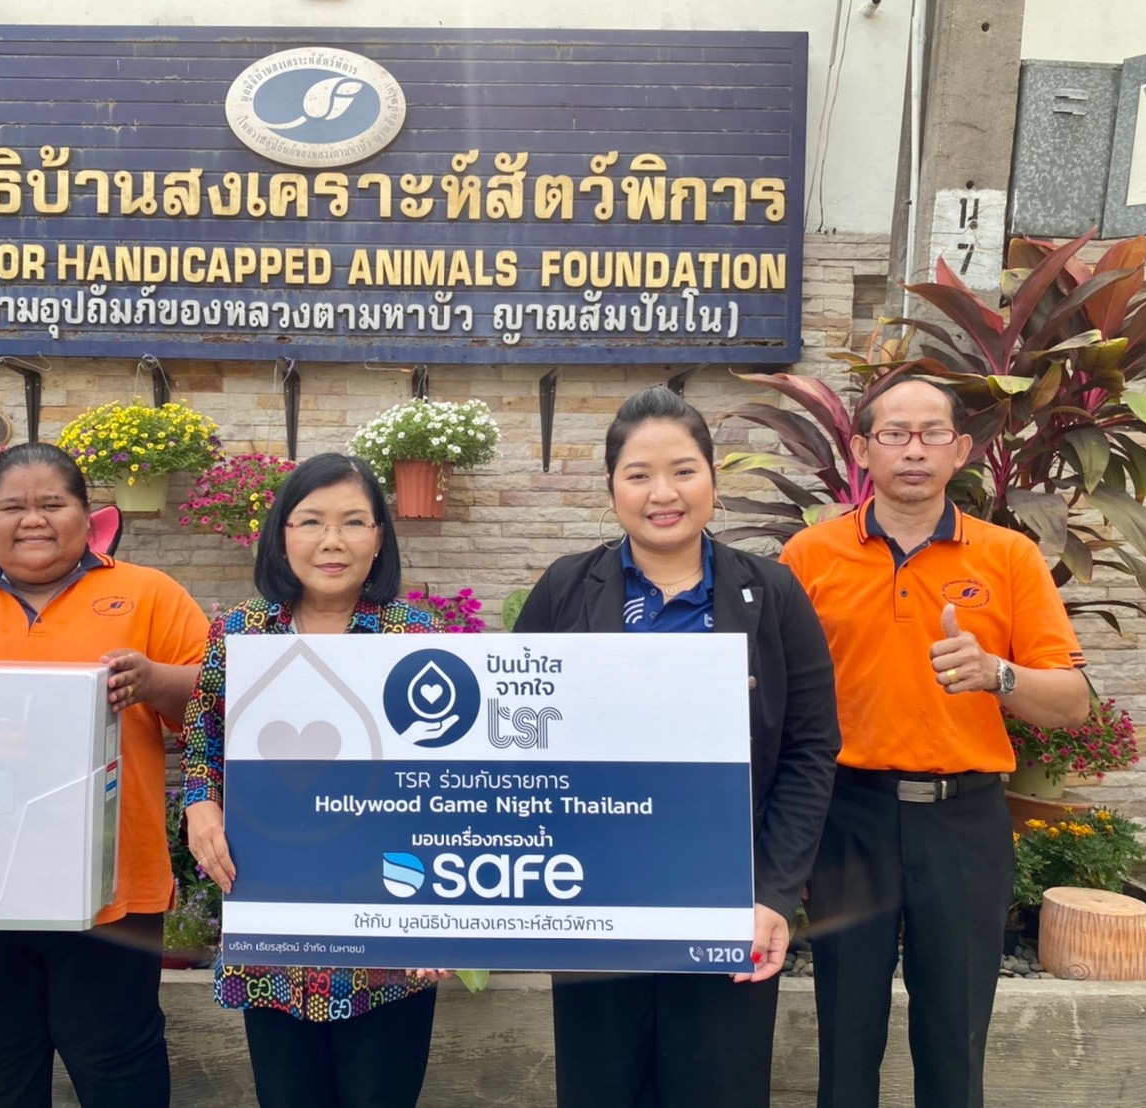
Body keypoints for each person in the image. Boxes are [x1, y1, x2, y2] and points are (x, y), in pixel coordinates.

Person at [514, 385, 841, 1108]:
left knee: (717, 1087)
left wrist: (772, 895)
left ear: (712, 479)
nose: (663, 493)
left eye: (683, 470)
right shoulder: (567, 589)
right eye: (639, 475)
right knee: (602, 1089)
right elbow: (517, 736)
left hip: (727, 903)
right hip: (595, 900)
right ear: (612, 488)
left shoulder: (772, 594)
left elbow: (811, 750)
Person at [779, 377, 1090, 1108]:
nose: (913, 450)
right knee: (845, 1036)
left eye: (931, 434)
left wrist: (997, 674)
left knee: (955, 1038)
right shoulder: (809, 556)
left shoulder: (1009, 557)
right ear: (862, 450)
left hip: (964, 822)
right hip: (847, 818)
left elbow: (1073, 704)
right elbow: (776, 699)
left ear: (961, 449)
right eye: (895, 434)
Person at [0, 441, 209, 1108]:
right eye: (13, 507)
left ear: (89, 517)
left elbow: (214, 711)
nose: (33, 519)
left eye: (52, 503)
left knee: (119, 1062)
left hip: (110, 886)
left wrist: (153, 681)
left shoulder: (150, 595)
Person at [181, 452, 449, 1108]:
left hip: (387, 934)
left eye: (354, 522)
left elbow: (448, 782)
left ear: (380, 538)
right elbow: (204, 736)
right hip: (276, 927)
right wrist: (200, 804)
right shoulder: (240, 634)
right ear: (282, 534)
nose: (333, 541)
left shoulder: (416, 636)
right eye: (311, 521)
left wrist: (444, 912)